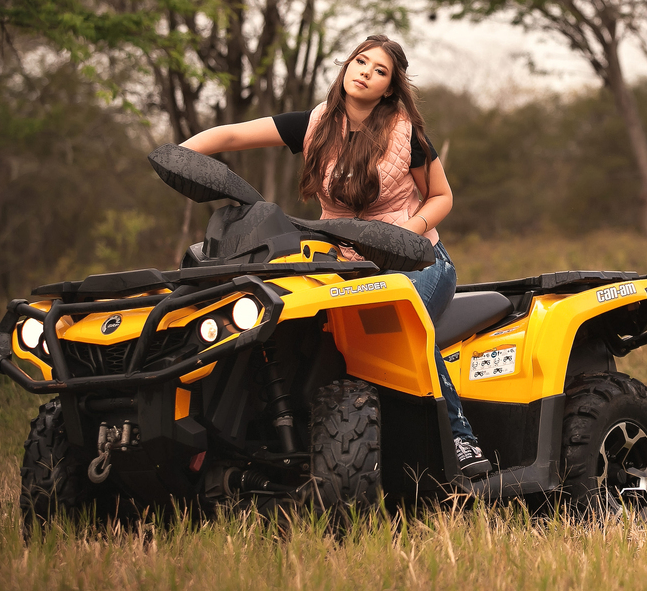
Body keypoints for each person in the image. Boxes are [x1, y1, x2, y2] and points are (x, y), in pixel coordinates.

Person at [180, 34, 492, 478]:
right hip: (345, 262)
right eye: (361, 61)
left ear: (389, 87)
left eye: (379, 70)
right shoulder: (316, 123)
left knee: (399, 327)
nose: (365, 72)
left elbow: (441, 196)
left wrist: (412, 229)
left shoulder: (408, 135)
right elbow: (233, 134)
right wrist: (181, 154)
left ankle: (461, 440)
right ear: (347, 66)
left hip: (416, 261)